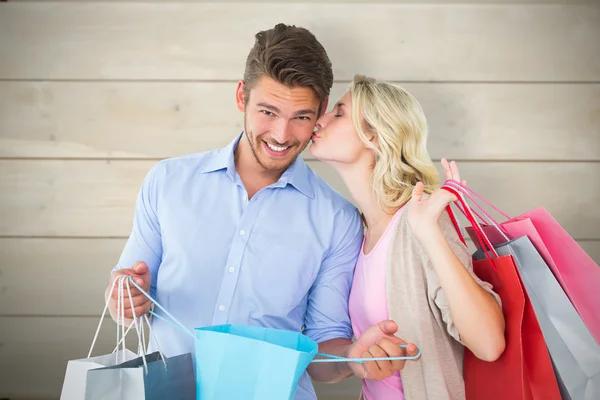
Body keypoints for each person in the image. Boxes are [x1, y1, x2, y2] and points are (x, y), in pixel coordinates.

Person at [104, 24, 418, 399]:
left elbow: (323, 354)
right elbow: (124, 300)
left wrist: (353, 357)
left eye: (301, 116)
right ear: (242, 96)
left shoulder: (338, 220)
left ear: (320, 112)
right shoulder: (168, 182)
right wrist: (123, 298)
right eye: (268, 111)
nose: (282, 135)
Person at [309, 74, 506, 399]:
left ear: (374, 134)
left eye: (339, 112)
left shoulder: (422, 222)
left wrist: (429, 233)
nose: (321, 118)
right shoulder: (358, 233)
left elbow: (489, 344)